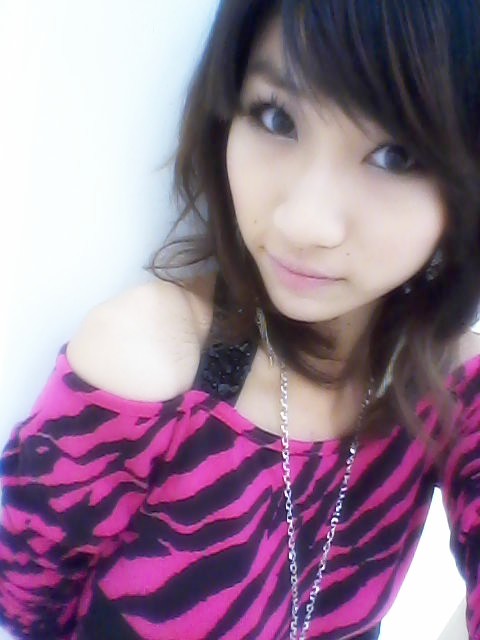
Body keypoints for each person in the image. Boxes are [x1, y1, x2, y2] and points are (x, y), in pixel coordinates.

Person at [1, 1, 480, 638]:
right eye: (277, 118)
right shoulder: (149, 366)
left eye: (396, 155)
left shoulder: (451, 391)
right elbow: (22, 611)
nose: (304, 222)